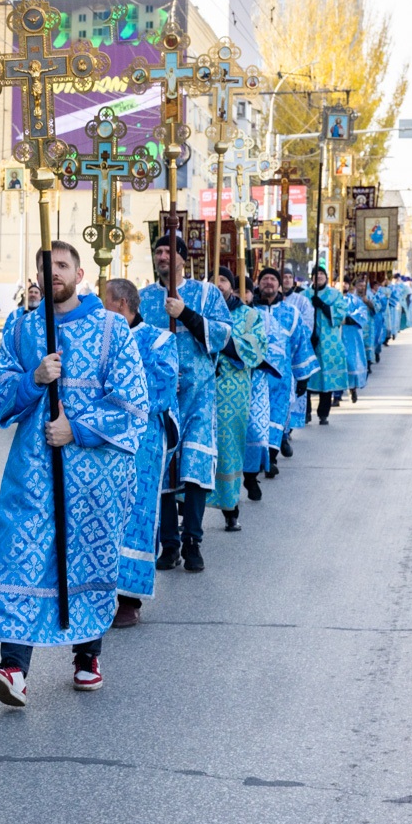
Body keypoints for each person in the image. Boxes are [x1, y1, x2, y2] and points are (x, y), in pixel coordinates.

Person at [0, 243, 146, 705]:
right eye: (45, 267)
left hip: (94, 477)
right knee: (18, 554)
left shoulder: (112, 328)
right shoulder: (21, 328)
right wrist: (33, 379)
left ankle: (87, 656)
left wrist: (78, 428)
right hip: (32, 472)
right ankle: (14, 667)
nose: (53, 273)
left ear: (79, 273)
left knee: (86, 557)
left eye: (62, 266)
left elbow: (133, 403)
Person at [139, 235, 230, 573]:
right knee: (161, 463)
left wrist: (186, 313)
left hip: (199, 392)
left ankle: (193, 540)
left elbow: (223, 334)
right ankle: (169, 543)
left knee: (195, 462)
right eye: (158, 251)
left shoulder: (207, 294)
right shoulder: (145, 297)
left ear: (182, 257)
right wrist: (158, 376)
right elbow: (136, 342)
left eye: (168, 251)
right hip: (162, 395)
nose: (162, 256)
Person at [101, 278, 176, 630]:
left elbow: (162, 390)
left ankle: (130, 598)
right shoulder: (99, 339)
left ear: (120, 304)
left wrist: (120, 397)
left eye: (105, 302)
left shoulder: (160, 340)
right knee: (102, 512)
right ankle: (101, 592)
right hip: (103, 435)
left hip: (143, 438)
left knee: (138, 512)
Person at [205, 269, 267, 532]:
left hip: (233, 391)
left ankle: (230, 509)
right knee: (197, 446)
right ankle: (188, 511)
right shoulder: (200, 311)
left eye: (223, 280)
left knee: (229, 446)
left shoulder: (249, 315)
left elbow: (255, 350)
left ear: (232, 286)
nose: (218, 284)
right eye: (213, 280)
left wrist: (222, 340)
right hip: (202, 388)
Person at [252, 268, 315, 473]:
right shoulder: (250, 310)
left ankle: (271, 458)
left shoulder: (291, 313)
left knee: (277, 416)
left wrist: (302, 377)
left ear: (279, 285)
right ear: (258, 283)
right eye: (265, 279)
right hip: (254, 376)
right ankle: (258, 458)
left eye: (273, 279)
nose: (268, 282)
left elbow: (300, 344)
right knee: (256, 418)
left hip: (282, 377)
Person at [303, 266, 347, 425]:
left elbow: (340, 315)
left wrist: (322, 305)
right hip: (309, 341)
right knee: (306, 376)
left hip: (329, 343)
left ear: (326, 277)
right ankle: (306, 412)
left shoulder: (335, 295)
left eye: (322, 274)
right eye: (316, 274)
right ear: (312, 278)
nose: (319, 276)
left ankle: (323, 413)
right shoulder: (304, 295)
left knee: (326, 378)